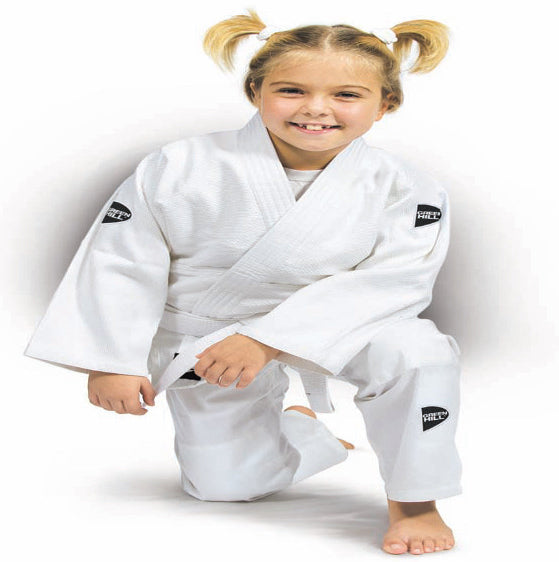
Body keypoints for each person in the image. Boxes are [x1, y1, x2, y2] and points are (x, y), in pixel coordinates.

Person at [23, 8, 462, 556]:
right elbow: (122, 258)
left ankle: (415, 501)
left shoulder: (407, 186)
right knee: (225, 486)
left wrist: (266, 339)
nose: (316, 108)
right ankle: (304, 429)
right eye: (291, 90)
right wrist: (111, 357)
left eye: (346, 95)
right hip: (209, 336)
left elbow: (395, 282)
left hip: (342, 326)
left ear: (386, 104)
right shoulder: (182, 164)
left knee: (417, 352)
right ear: (255, 91)